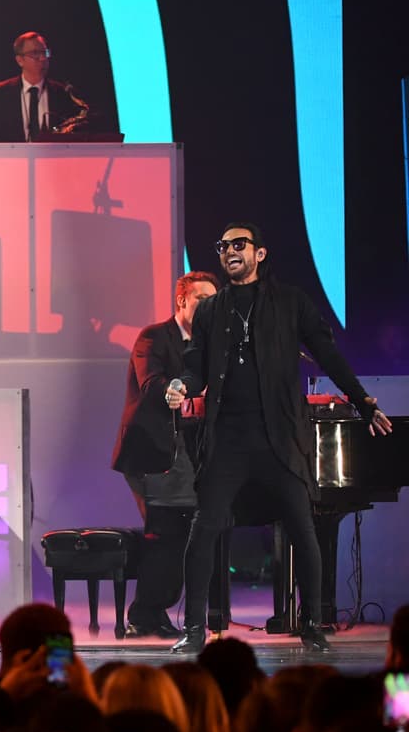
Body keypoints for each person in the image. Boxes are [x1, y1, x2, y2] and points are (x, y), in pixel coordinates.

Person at [165, 222, 394, 653]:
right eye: (223, 246)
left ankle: (312, 624)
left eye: (239, 244)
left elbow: (327, 353)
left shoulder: (290, 303)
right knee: (204, 528)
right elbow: (195, 365)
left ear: (259, 254)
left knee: (302, 528)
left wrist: (363, 402)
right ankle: (194, 628)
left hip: (280, 437)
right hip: (228, 438)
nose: (230, 251)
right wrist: (182, 384)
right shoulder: (211, 311)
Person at [111, 271, 220, 637]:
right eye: (201, 298)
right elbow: (151, 383)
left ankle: (155, 610)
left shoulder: (210, 343)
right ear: (182, 301)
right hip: (151, 452)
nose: (208, 305)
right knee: (166, 530)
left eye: (213, 299)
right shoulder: (154, 336)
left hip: (186, 454)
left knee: (184, 529)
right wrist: (175, 393)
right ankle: (146, 614)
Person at [0, 32, 82, 142]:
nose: (42, 58)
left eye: (45, 53)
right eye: (35, 53)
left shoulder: (62, 93)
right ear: (20, 60)